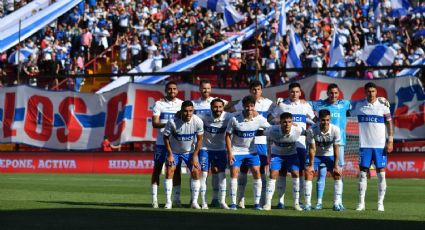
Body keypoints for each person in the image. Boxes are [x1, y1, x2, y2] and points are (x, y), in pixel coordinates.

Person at [268, 82, 315, 209]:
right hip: (284, 143)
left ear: (300, 93)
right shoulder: (282, 105)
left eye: (297, 92)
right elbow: (270, 119)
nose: (294, 94)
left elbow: (314, 120)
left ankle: (298, 201)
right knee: (282, 172)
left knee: (298, 172)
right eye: (292, 92)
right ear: (288, 92)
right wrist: (280, 120)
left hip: (300, 143)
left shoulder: (305, 106)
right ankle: (280, 201)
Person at [228, 80, 273, 208]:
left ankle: (263, 201)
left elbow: (272, 121)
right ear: (250, 90)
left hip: (260, 142)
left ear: (261, 90)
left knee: (260, 171)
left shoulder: (269, 103)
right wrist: (236, 102)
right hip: (242, 143)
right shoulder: (243, 103)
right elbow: (228, 109)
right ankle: (240, 200)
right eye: (253, 89)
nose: (256, 91)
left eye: (258, 89)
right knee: (242, 171)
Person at [351, 82, 393, 212]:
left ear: (376, 92)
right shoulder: (358, 105)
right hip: (364, 145)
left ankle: (380, 203)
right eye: (369, 91)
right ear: (365, 92)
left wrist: (390, 140)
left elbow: (389, 124)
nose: (371, 93)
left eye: (373, 91)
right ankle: (361, 203)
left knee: (381, 174)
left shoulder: (383, 106)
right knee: (362, 174)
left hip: (379, 146)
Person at [310, 83, 351, 210]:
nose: (333, 95)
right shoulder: (319, 104)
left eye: (336, 93)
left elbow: (361, 102)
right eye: (331, 93)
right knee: (321, 173)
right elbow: (302, 103)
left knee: (338, 171)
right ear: (327, 93)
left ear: (339, 94)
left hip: (340, 143)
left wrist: (380, 99)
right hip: (322, 142)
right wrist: (283, 101)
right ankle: (319, 202)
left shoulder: (345, 104)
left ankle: (338, 202)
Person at [192, 80, 228, 208]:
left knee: (219, 172)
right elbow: (186, 115)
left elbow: (239, 108)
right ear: (199, 89)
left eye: (208, 88)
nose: (206, 90)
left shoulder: (226, 114)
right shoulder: (196, 108)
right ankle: (201, 201)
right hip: (204, 147)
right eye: (203, 88)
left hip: (220, 149)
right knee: (203, 173)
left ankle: (217, 199)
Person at [163, 100, 204, 209]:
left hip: (189, 152)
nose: (188, 114)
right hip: (175, 152)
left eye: (190, 111)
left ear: (193, 110)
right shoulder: (172, 121)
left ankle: (194, 202)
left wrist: (195, 155)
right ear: (181, 111)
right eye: (185, 111)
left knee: (196, 172)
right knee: (169, 171)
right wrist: (170, 154)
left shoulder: (198, 121)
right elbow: (165, 137)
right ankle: (169, 202)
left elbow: (200, 139)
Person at [151, 81, 183, 208]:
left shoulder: (181, 104)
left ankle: (176, 199)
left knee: (177, 170)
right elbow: (155, 123)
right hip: (161, 143)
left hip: (176, 144)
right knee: (157, 170)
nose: (172, 91)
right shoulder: (159, 104)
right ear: (165, 90)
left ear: (177, 90)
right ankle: (154, 199)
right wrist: (169, 124)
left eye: (174, 89)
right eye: (169, 89)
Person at [196, 98, 233, 209]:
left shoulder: (228, 117)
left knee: (221, 175)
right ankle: (204, 202)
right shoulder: (203, 116)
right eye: (215, 107)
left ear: (223, 108)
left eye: (220, 107)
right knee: (203, 174)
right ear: (211, 107)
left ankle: (221, 201)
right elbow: (189, 116)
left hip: (221, 150)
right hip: (205, 149)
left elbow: (244, 113)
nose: (218, 109)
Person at [263, 112, 303, 211]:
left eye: (289, 122)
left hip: (292, 155)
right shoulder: (272, 130)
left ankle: (296, 203)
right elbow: (262, 131)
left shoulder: (297, 130)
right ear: (280, 122)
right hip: (277, 155)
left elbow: (307, 132)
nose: (287, 124)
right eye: (284, 122)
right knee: (273, 174)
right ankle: (268, 203)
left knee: (295, 173)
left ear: (292, 122)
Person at [304, 109, 343, 211]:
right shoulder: (312, 130)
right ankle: (308, 204)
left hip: (329, 154)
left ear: (330, 119)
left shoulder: (336, 130)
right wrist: (311, 165)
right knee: (309, 173)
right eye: (323, 120)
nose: (325, 122)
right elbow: (312, 149)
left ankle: (337, 203)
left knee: (337, 174)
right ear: (318, 120)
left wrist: (335, 166)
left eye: (327, 120)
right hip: (316, 155)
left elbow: (336, 149)